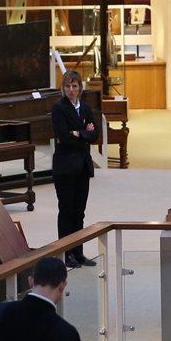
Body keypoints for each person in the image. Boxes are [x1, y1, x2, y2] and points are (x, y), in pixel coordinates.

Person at [50, 69, 99, 267]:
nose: (71, 89)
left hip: (82, 167)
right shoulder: (58, 109)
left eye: (75, 86)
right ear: (63, 88)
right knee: (66, 211)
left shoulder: (86, 108)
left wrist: (78, 133)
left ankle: (78, 252)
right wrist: (82, 132)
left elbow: (95, 135)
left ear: (80, 88)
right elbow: (63, 137)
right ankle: (66, 253)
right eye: (68, 86)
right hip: (65, 167)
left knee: (79, 212)